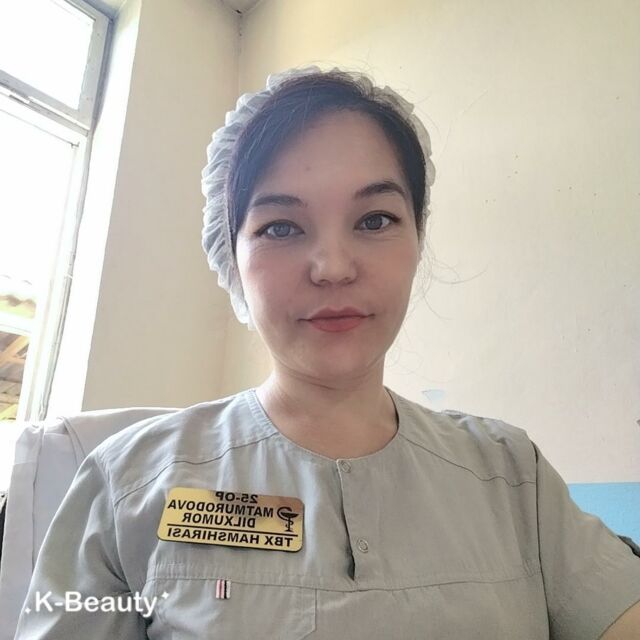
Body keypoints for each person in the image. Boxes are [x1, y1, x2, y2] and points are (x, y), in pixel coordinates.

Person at [13, 65, 640, 639]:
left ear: (418, 237)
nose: (333, 267)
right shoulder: (126, 483)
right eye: (281, 227)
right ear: (232, 258)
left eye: (375, 220)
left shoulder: (511, 474)